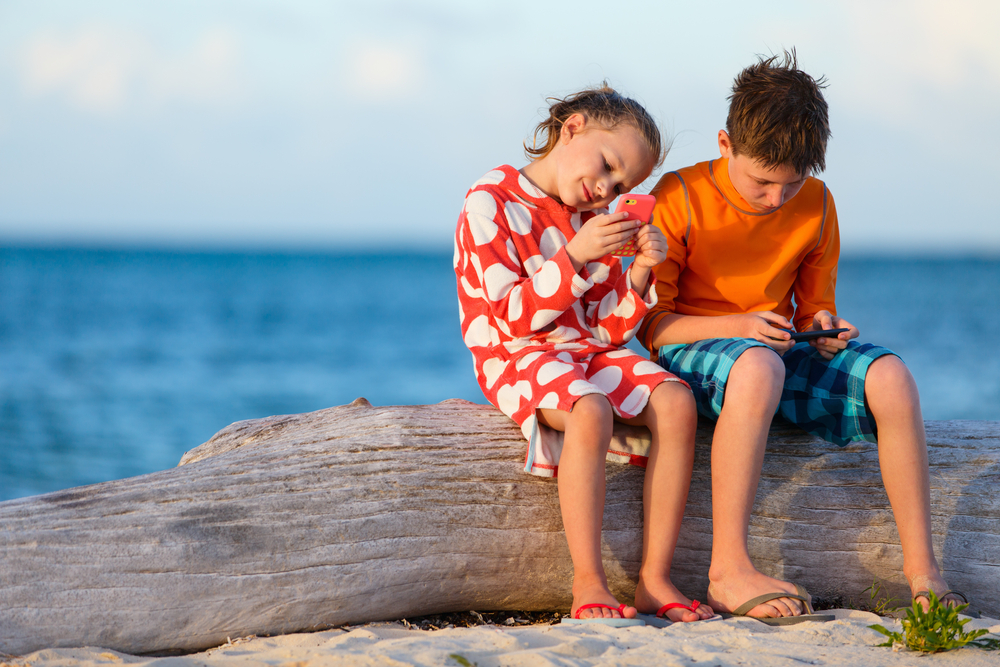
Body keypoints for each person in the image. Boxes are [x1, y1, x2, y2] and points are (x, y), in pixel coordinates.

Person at [637, 51, 962, 623]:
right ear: (725, 144)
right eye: (762, 182)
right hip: (696, 353)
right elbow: (652, 325)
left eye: (791, 185)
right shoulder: (679, 196)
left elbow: (814, 307)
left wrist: (823, 328)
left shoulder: (816, 204)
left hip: (777, 352)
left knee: (891, 376)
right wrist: (738, 329)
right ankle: (728, 569)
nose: (775, 199)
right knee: (758, 365)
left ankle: (924, 573)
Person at [454, 84, 715, 624]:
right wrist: (576, 254)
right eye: (607, 165)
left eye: (621, 186)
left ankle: (654, 578)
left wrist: (641, 270)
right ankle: (588, 580)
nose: (605, 188)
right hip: (516, 352)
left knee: (675, 399)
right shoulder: (490, 200)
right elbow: (512, 317)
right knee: (589, 407)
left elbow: (607, 330)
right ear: (572, 128)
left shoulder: (590, 221)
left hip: (582, 352)